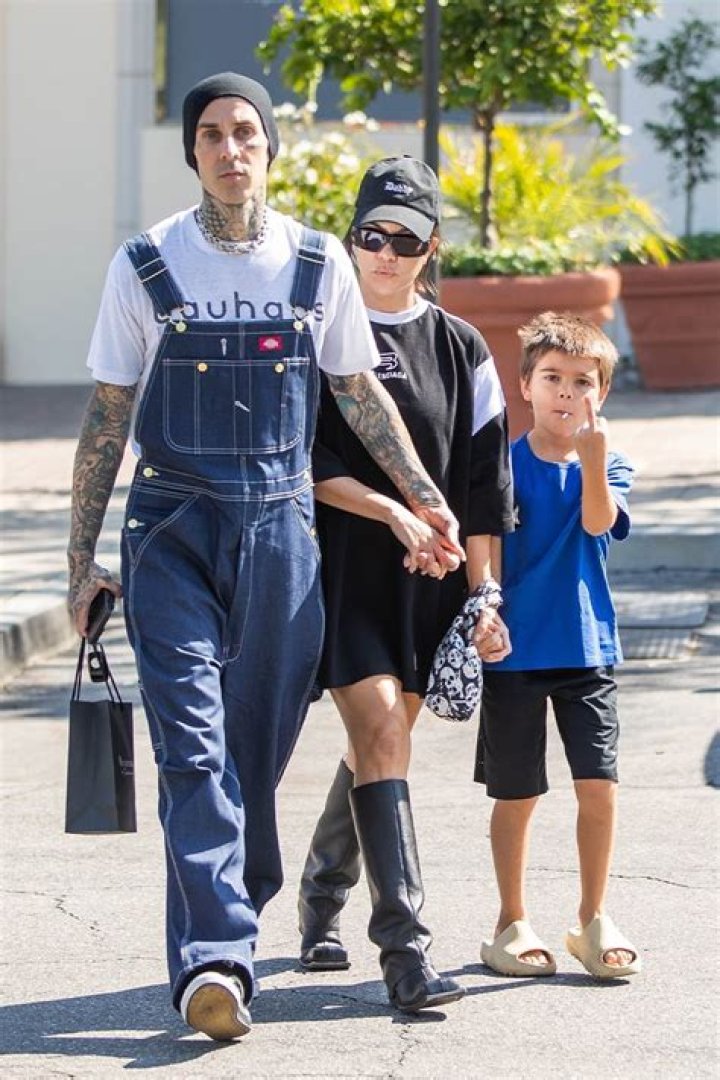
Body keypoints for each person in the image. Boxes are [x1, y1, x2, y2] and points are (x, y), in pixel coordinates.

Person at [66, 75, 464, 1042]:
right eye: (212, 134)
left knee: (251, 755)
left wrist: (424, 495)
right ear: (193, 152)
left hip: (283, 536)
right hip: (169, 530)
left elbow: (359, 393)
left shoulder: (319, 263)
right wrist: (79, 564)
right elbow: (108, 419)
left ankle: (231, 919)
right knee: (193, 751)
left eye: (247, 132)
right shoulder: (146, 263)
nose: (230, 148)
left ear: (271, 149)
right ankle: (216, 962)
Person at [297, 156, 515, 1011]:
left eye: (407, 239)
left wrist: (484, 594)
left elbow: (483, 491)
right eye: (372, 235)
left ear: (433, 247)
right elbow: (305, 465)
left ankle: (322, 892)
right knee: (384, 731)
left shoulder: (462, 349)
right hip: (344, 573)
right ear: (351, 238)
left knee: (375, 746)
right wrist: (393, 512)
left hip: (434, 584)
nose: (386, 253)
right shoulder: (316, 336)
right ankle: (406, 952)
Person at [476, 311, 642, 981]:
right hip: (515, 655)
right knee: (517, 795)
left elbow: (600, 524)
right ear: (525, 386)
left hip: (588, 651)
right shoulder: (500, 466)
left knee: (599, 789)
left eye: (582, 381)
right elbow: (481, 548)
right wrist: (483, 617)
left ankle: (591, 918)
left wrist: (595, 460)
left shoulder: (612, 462)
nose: (566, 393)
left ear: (600, 393)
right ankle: (510, 920)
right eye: (552, 378)